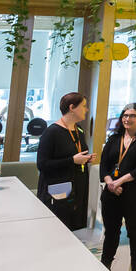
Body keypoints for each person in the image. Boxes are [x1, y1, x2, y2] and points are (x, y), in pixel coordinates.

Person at [98, 102, 136, 271]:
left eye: (132, 116)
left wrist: (119, 182)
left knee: (135, 230)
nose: (127, 119)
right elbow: (104, 164)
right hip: (111, 193)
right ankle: (105, 265)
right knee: (111, 232)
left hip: (134, 193)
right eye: (125, 115)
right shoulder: (114, 138)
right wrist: (110, 182)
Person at [36, 92, 93, 231]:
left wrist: (86, 159)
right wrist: (72, 160)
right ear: (72, 107)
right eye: (84, 106)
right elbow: (42, 164)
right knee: (59, 229)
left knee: (77, 229)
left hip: (79, 188)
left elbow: (77, 155)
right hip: (58, 189)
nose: (86, 109)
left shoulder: (79, 130)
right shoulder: (52, 132)